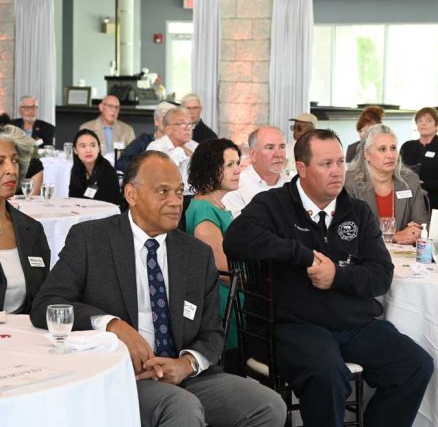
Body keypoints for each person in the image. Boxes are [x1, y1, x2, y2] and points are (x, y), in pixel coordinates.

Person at [30, 151, 286, 427]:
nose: (176, 202)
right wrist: (112, 325)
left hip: (185, 374)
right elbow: (47, 305)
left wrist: (187, 363)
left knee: (269, 405)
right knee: (181, 408)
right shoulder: (92, 240)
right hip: (125, 375)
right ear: (131, 194)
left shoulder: (195, 254)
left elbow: (212, 332)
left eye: (178, 192)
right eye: (163, 192)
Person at [223, 129, 434, 427]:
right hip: (293, 325)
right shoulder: (273, 205)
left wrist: (338, 276)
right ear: (302, 168)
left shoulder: (357, 211)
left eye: (339, 163)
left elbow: (381, 275)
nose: (337, 172)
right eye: (326, 164)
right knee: (328, 375)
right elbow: (236, 239)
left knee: (415, 365)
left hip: (352, 324)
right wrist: (302, 255)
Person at [185, 139, 241, 350]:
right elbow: (223, 271)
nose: (237, 170)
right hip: (227, 301)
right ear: (211, 169)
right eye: (229, 165)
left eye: (237, 163)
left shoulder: (213, 204)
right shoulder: (204, 210)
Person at [345, 124, 428, 245]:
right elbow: (349, 230)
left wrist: (415, 231)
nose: (390, 155)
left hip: (405, 256)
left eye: (393, 148)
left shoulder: (410, 181)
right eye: (382, 149)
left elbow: (422, 225)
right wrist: (393, 236)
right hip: (364, 257)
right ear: (367, 155)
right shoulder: (351, 182)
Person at [0, 124, 50, 313]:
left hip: (26, 336)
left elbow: (45, 296)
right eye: (0, 161)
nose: (12, 170)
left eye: (14, 161)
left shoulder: (31, 229)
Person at [222, 126, 289, 217]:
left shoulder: (293, 185)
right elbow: (240, 228)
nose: (279, 154)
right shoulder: (236, 185)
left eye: (282, 147)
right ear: (252, 154)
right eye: (270, 147)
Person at [400, 107, 438, 210]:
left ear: (436, 125)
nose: (423, 123)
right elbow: (398, 171)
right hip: (407, 198)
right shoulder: (407, 146)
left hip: (435, 201)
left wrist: (425, 184)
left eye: (428, 120)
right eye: (420, 121)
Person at [147, 107, 199, 196]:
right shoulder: (156, 147)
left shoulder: (194, 146)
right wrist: (180, 150)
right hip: (166, 196)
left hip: (194, 196)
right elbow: (158, 177)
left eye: (190, 124)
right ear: (168, 129)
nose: (188, 129)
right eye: (182, 124)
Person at [116, 101, 176, 173]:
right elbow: (122, 162)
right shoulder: (143, 141)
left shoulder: (180, 142)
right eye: (164, 117)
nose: (167, 121)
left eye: (171, 118)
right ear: (156, 121)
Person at [68, 129, 121, 205]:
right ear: (75, 150)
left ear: (99, 148)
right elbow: (73, 199)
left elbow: (110, 204)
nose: (88, 150)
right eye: (83, 146)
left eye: (93, 145)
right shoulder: (76, 170)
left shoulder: (108, 172)